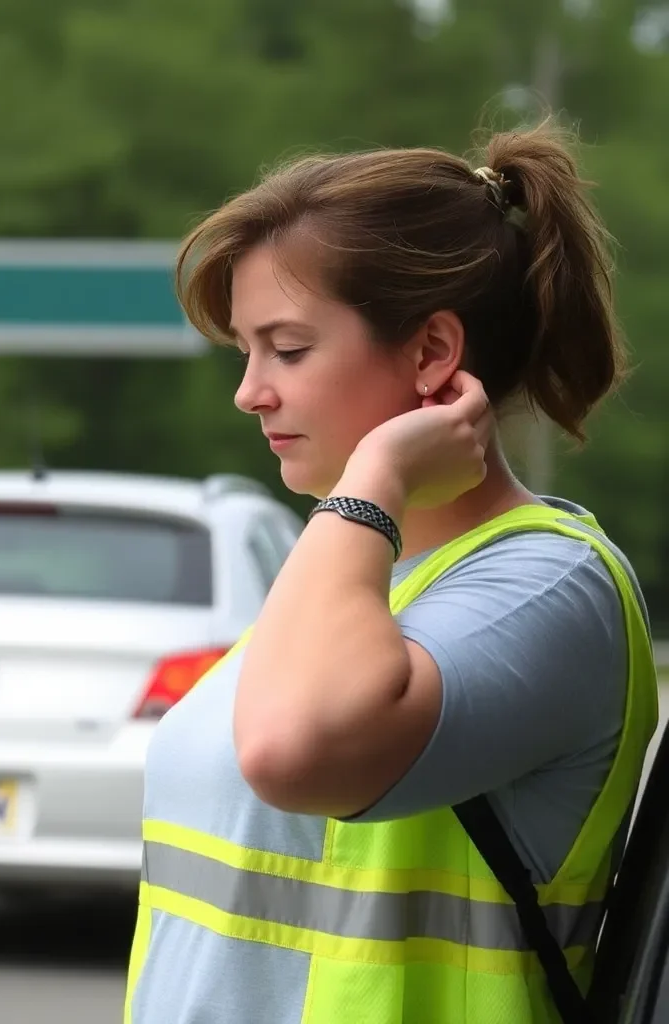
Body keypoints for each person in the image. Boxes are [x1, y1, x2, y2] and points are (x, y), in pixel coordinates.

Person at [122, 120, 659, 1024]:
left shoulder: (549, 585)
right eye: (246, 352)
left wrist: (375, 479)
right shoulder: (362, 577)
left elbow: (295, 752)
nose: (251, 390)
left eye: (287, 349)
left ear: (430, 355)